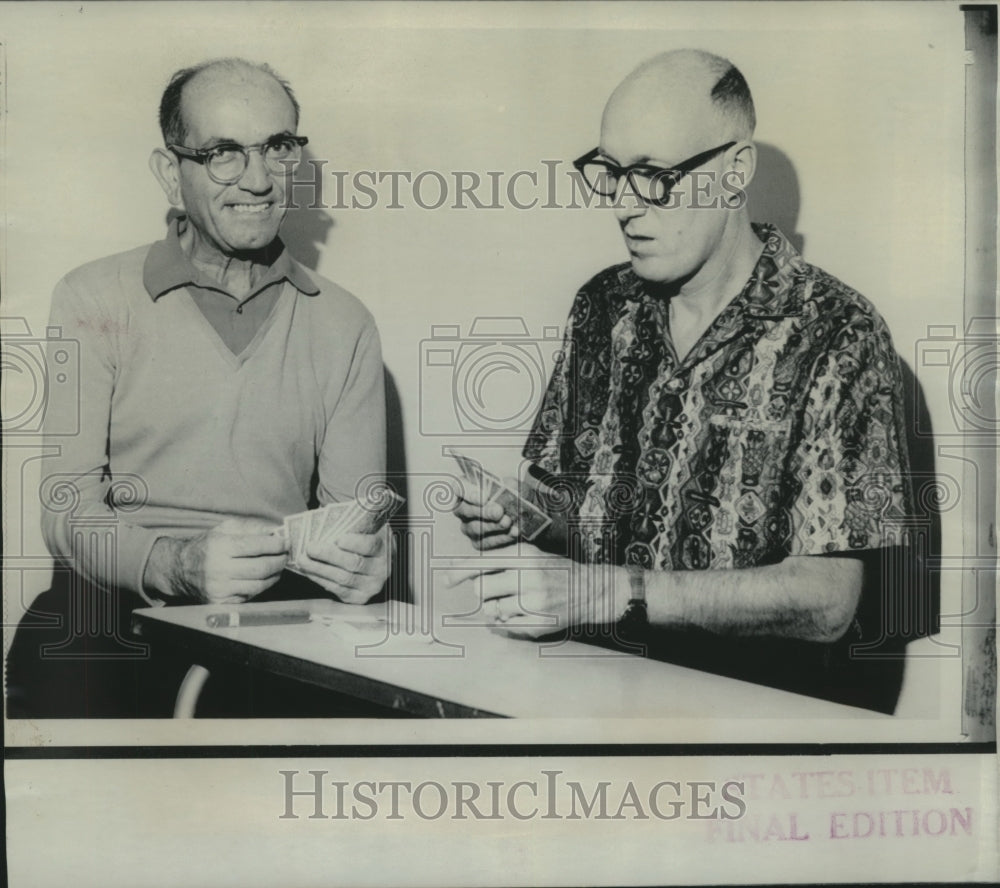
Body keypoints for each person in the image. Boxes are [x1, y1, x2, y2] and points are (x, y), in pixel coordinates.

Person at [453, 49, 919, 713]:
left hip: (756, 734)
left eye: (652, 176)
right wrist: (520, 520)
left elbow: (827, 602)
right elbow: (567, 514)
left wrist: (615, 591)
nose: (622, 205)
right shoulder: (601, 308)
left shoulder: (838, 332)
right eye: (610, 174)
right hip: (592, 703)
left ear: (735, 172)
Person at [6, 58, 391, 718]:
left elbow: (358, 516)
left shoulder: (345, 321)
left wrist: (369, 558)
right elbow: (66, 510)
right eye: (223, 153)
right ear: (169, 172)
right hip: (111, 612)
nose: (259, 178)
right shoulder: (91, 296)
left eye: (277, 146)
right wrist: (176, 563)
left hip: (276, 620)